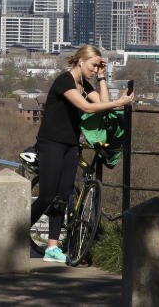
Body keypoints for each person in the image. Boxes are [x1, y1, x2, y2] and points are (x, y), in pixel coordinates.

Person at [30, 44, 135, 264]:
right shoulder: (65, 81)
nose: (95, 70)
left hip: (71, 145)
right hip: (51, 143)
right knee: (47, 196)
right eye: (94, 65)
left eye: (99, 67)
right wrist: (120, 102)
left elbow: (104, 106)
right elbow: (86, 108)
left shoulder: (85, 85)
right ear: (81, 61)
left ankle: (52, 247)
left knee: (62, 196)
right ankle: (13, 235)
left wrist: (103, 79)